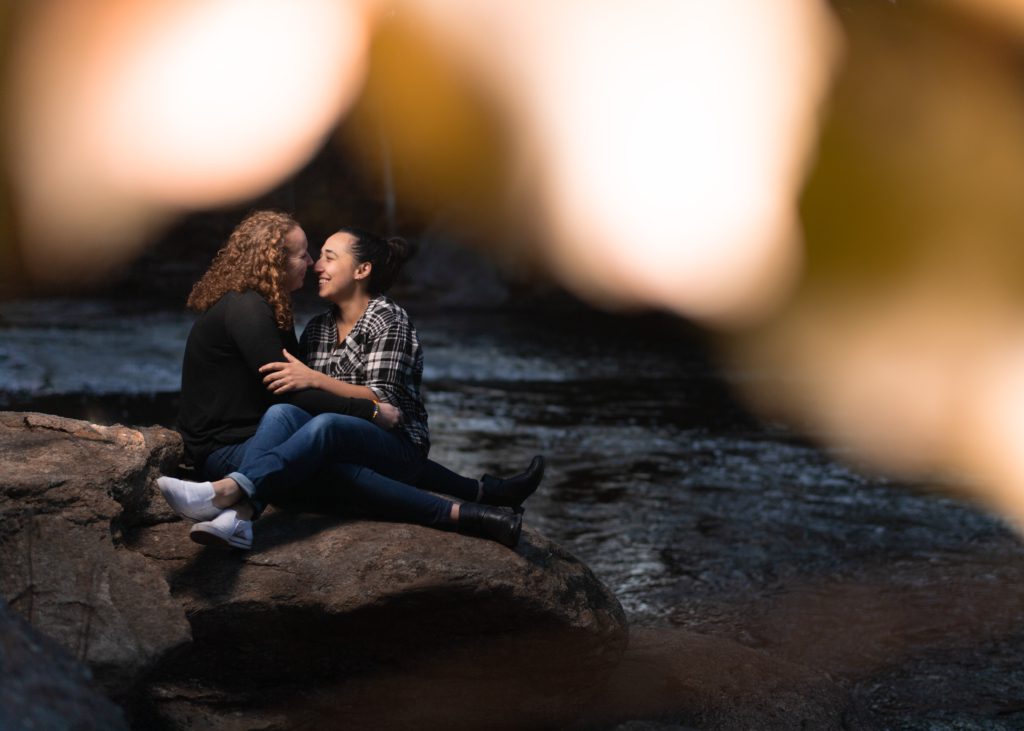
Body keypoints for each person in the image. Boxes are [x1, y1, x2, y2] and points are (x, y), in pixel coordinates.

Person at [158, 210, 542, 550]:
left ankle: (229, 493)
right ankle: (476, 506)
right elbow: (298, 397)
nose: (312, 265)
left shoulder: (387, 318)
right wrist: (350, 404)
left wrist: (334, 392)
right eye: (307, 254)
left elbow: (382, 402)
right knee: (293, 424)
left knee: (323, 428)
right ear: (274, 260)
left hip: (393, 439)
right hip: (321, 438)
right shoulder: (313, 327)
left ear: (361, 270)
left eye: (326, 256)